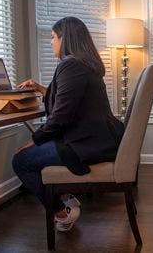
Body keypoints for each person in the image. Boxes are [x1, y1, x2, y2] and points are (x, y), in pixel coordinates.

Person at [12, 17, 124, 232]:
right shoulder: (83, 64)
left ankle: (64, 214)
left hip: (87, 145)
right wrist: (40, 88)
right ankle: (67, 197)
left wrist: (34, 140)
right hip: (99, 139)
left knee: (20, 161)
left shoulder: (71, 64)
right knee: (37, 152)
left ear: (65, 38)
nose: (51, 42)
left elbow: (61, 115)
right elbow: (70, 100)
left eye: (53, 37)